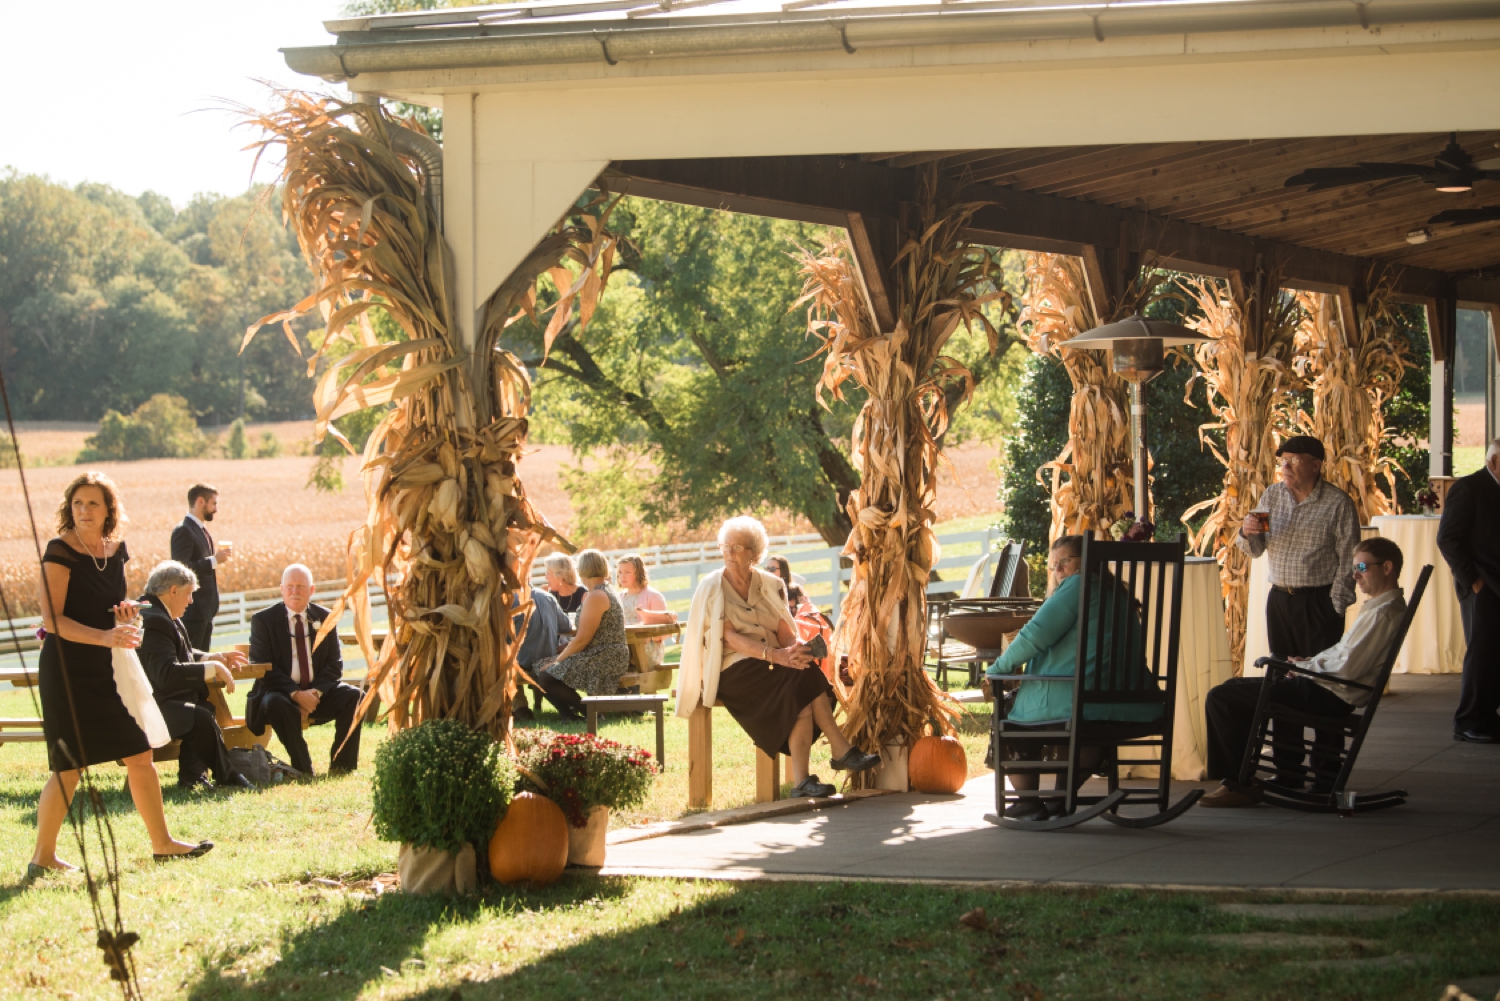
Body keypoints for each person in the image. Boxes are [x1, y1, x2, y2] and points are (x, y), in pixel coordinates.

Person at [30, 472, 212, 876]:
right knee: (69, 770)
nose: (84, 511)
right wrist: (106, 635)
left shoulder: (115, 551)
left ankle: (163, 844)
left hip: (105, 668)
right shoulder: (58, 550)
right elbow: (52, 619)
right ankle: (42, 858)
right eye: (77, 503)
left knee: (139, 753)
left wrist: (124, 614)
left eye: (93, 503)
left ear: (109, 509)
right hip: (66, 670)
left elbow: (112, 605)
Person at [676, 516, 879, 798]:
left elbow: (785, 630)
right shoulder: (714, 586)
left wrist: (794, 650)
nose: (730, 553)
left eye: (738, 547)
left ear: (755, 553)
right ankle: (839, 750)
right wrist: (777, 655)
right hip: (734, 668)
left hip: (776, 663)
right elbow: (729, 637)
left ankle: (803, 782)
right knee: (801, 677)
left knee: (802, 680)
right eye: (726, 546)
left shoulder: (772, 584)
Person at [1200, 536, 1409, 806]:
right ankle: (1238, 779)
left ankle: (1237, 784)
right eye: (1354, 568)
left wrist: (1302, 669)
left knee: (1221, 697)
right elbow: (1342, 655)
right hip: (1322, 686)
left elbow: (1347, 667)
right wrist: (1306, 663)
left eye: (1362, 568)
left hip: (1326, 694)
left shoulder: (1383, 613)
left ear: (1387, 567)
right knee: (1230, 689)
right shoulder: (1379, 607)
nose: (1355, 576)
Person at [984, 535, 1160, 821]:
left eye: (1065, 561)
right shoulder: (1120, 592)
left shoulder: (1078, 586)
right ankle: (1060, 800)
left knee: (1007, 710)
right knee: (1088, 729)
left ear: (1087, 561)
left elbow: (1034, 636)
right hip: (1133, 703)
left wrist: (997, 670)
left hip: (1081, 701)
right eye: (1053, 566)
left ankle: (1029, 802)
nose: (1059, 571)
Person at [1236, 435, 1361, 660]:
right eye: (1283, 461)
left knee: (1316, 676)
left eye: (1293, 461)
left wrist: (1337, 606)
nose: (1285, 466)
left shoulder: (1338, 503)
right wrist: (1246, 532)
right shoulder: (1272, 495)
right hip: (1279, 601)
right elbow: (1255, 550)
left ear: (1316, 465)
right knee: (1281, 671)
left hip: (1318, 603)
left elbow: (1350, 558)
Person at [137, 560, 253, 791]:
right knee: (199, 717)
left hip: (160, 703)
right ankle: (227, 777)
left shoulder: (161, 613)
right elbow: (166, 673)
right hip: (147, 710)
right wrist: (211, 670)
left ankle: (193, 777)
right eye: (189, 594)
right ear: (173, 591)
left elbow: (182, 652)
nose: (191, 601)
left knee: (202, 710)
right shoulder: (154, 620)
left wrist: (214, 657)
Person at [246, 564, 363, 776]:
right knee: (274, 702)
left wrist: (314, 694)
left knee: (355, 696)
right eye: (289, 586)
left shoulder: (326, 617)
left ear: (312, 590)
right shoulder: (263, 620)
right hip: (281, 695)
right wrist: (297, 695)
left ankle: (341, 765)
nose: (294, 591)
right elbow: (263, 667)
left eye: (300, 586)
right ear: (281, 589)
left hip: (317, 695)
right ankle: (303, 767)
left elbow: (334, 665)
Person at [1436, 438, 1500, 743]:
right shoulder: (1470, 488)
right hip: (1482, 585)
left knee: (1496, 655)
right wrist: (1473, 580)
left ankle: (1488, 716)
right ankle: (1468, 720)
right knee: (1482, 653)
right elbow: (1448, 538)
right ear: (1494, 462)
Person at [533, 550, 631, 720]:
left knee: (546, 674)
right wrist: (563, 649)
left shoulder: (597, 595)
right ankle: (568, 715)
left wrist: (558, 660)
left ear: (583, 569)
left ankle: (590, 713)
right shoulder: (602, 591)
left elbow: (582, 639)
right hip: (598, 651)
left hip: (606, 656)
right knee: (538, 668)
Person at [171, 483, 234, 652]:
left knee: (203, 661)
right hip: (193, 611)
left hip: (205, 611)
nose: (216, 509)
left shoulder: (202, 530)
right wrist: (214, 561)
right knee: (192, 660)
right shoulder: (183, 530)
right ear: (200, 501)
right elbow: (181, 568)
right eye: (213, 503)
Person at [764, 553, 832, 680]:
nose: (768, 571)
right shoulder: (764, 591)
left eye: (772, 569)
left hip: (796, 630)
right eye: (766, 568)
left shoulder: (794, 590)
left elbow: (807, 610)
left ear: (782, 571)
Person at [513, 586, 569, 720]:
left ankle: (520, 709)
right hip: (549, 660)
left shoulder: (508, 600)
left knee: (501, 666)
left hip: (525, 666)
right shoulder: (548, 597)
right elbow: (566, 626)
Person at [617, 555, 674, 669]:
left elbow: (667, 629)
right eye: (620, 572)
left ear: (638, 574)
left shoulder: (654, 596)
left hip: (647, 647)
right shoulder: (619, 597)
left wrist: (648, 638)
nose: (622, 576)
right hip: (624, 646)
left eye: (627, 572)